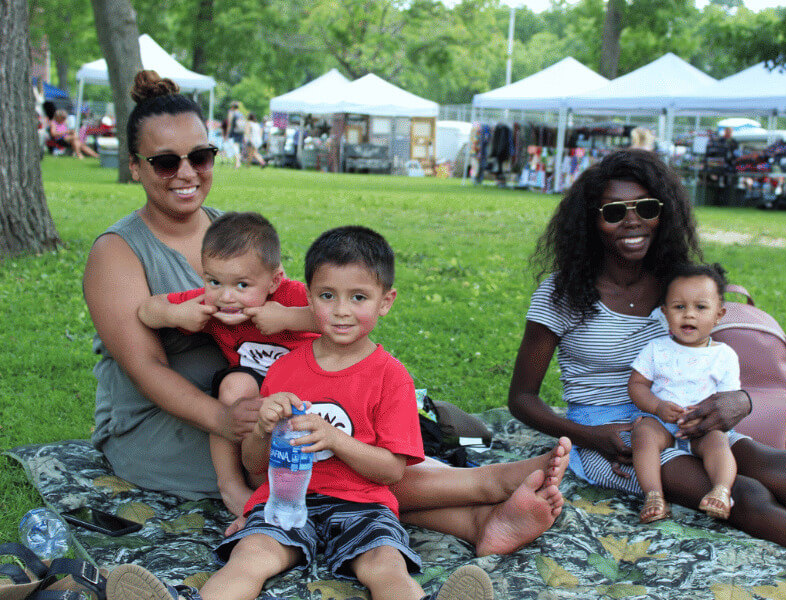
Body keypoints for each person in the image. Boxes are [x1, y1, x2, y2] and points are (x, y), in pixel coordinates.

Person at [84, 69, 570, 563]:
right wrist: (226, 418)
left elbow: (300, 311)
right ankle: (485, 485)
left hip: (256, 397)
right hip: (168, 423)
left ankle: (479, 521)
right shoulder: (118, 252)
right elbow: (146, 369)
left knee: (334, 434)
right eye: (166, 162)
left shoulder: (230, 232)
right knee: (316, 457)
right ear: (136, 167)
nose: (187, 173)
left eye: (200, 156)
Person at [507, 148, 786, 577]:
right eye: (615, 211)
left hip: (690, 417)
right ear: (591, 220)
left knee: (785, 466)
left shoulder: (679, 283)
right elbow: (522, 399)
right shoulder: (561, 293)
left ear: (666, 213)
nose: (632, 221)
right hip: (613, 437)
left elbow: (717, 360)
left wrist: (741, 401)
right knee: (744, 496)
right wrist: (589, 436)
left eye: (647, 208)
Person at [137, 211, 317, 517]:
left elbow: (338, 316)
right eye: (214, 281)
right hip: (255, 396)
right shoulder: (209, 304)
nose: (226, 296)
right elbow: (147, 310)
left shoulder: (292, 295)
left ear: (274, 280)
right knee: (234, 386)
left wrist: (287, 317)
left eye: (243, 285)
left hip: (308, 389)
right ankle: (232, 485)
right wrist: (176, 315)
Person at [628, 262, 739, 524]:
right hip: (663, 426)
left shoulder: (723, 355)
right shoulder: (656, 349)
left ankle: (721, 490)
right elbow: (637, 385)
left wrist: (704, 418)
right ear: (665, 312)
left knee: (719, 442)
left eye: (701, 307)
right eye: (679, 307)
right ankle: (653, 495)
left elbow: (726, 402)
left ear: (719, 314)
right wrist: (656, 406)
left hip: (702, 428)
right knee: (643, 433)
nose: (689, 315)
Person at [223, 101, 244, 168]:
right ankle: (237, 162)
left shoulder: (231, 113)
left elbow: (229, 125)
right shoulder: (241, 114)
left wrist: (226, 134)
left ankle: (237, 163)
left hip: (233, 133)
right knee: (237, 147)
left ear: (232, 107)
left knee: (234, 148)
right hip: (240, 132)